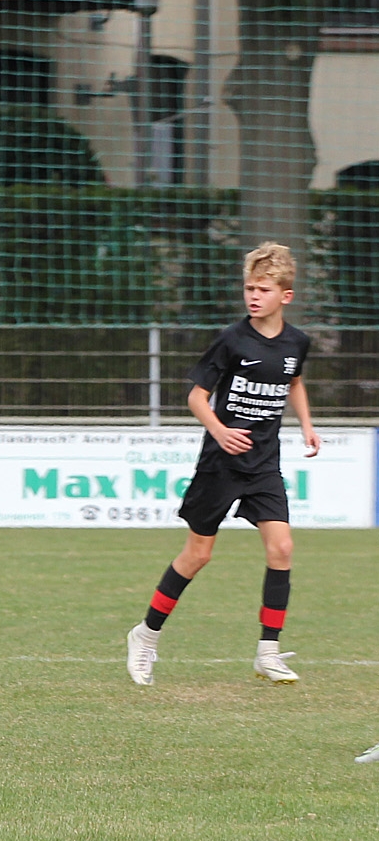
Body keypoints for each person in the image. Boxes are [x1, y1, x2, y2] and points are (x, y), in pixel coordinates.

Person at [126, 243, 319, 687]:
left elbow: (294, 381)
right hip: (221, 463)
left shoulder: (297, 342)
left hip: (264, 464)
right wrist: (219, 430)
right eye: (249, 288)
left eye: (263, 290)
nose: (254, 296)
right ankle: (145, 635)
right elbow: (197, 396)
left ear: (285, 296)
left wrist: (308, 425)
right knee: (198, 555)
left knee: (282, 548)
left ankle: (268, 652)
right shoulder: (232, 340)